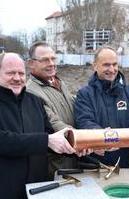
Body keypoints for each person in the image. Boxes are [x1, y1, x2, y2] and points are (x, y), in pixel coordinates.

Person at [0, 52, 75, 199]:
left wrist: (72, 146)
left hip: (37, 188)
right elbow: (4, 140)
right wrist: (46, 140)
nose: (17, 78)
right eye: (10, 73)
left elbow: (50, 139)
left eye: (21, 73)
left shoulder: (34, 101)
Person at [74, 46, 129, 168]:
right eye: (106, 65)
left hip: (123, 163)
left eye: (114, 64)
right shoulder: (84, 94)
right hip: (94, 164)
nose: (112, 69)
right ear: (95, 66)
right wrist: (103, 137)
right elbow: (85, 121)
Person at [26, 41, 78, 179]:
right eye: (45, 60)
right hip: (56, 166)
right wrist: (83, 137)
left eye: (53, 58)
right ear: (31, 63)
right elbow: (54, 123)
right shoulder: (31, 92)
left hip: (74, 158)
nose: (51, 63)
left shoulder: (58, 82)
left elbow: (75, 106)